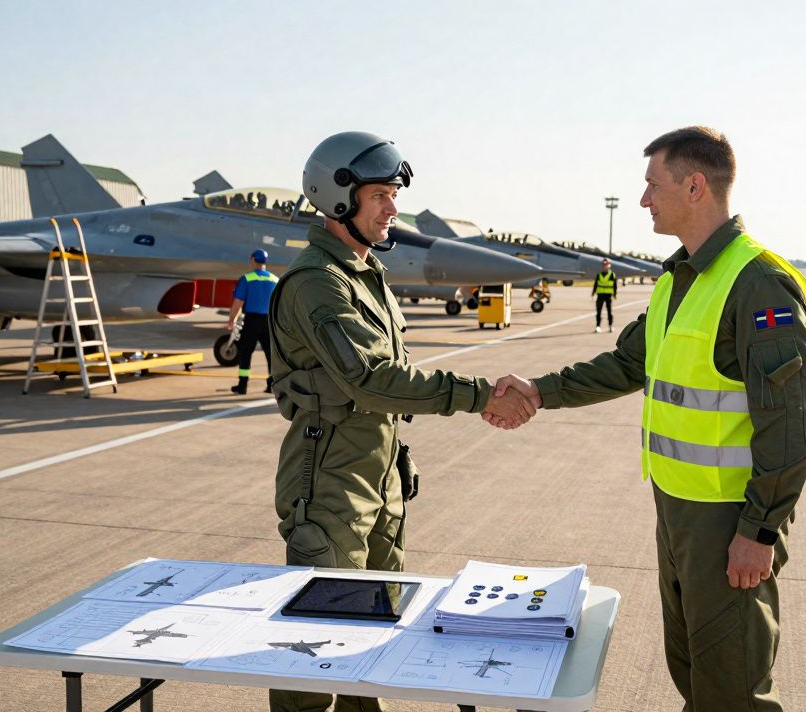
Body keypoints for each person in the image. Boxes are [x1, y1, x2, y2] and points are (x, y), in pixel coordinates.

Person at [487, 126, 806, 711]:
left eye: (651, 186)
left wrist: (759, 530)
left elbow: (790, 423)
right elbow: (627, 366)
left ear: (694, 186)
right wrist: (539, 391)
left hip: (728, 519)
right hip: (677, 510)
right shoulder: (678, 280)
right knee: (694, 671)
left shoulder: (757, 283)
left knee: (732, 689)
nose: (643, 200)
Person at [266, 131, 536, 712]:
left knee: (375, 637)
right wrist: (481, 394)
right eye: (381, 196)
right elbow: (374, 380)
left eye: (394, 194)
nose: (393, 209)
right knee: (312, 653)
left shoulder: (366, 275)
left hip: (381, 477)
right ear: (339, 199)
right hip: (331, 479)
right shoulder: (319, 284)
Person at [226, 249, 279, 395]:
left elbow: (238, 302)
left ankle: (242, 386)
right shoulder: (275, 280)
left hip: (252, 321)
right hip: (268, 322)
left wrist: (232, 320)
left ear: (253, 260)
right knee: (270, 354)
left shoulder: (247, 278)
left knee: (246, 353)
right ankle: (272, 385)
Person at [593, 258, 617, 333]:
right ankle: (598, 326)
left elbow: (615, 286)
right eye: (603, 264)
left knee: (609, 312)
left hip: (608, 296)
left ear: (609, 265)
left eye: (606, 264)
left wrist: (615, 294)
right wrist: (593, 293)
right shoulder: (599, 275)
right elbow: (596, 284)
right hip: (600, 295)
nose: (605, 266)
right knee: (598, 311)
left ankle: (610, 326)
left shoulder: (612, 275)